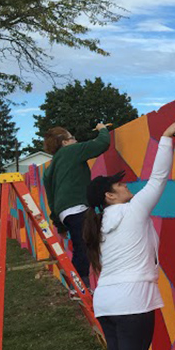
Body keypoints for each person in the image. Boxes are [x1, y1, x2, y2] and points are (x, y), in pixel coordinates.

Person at [83, 117, 175, 350]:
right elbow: (159, 178)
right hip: (132, 301)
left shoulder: (101, 224)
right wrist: (167, 139)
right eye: (119, 185)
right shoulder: (132, 211)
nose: (126, 186)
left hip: (107, 302)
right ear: (110, 197)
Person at [43, 124, 111, 295]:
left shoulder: (50, 168)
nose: (76, 140)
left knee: (86, 242)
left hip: (64, 212)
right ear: (65, 142)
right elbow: (101, 144)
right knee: (84, 246)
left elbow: (51, 198)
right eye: (72, 137)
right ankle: (79, 286)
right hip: (77, 207)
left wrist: (60, 225)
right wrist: (103, 129)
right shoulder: (72, 151)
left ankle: (79, 284)